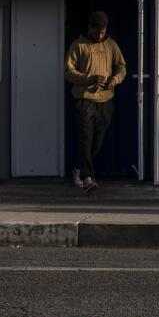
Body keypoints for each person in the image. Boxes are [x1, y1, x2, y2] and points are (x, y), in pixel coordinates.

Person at [64, 11, 127, 192]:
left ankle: (78, 168)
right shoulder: (78, 45)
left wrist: (115, 80)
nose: (100, 35)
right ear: (90, 28)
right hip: (85, 100)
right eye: (97, 32)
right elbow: (68, 72)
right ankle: (88, 179)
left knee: (97, 141)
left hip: (105, 101)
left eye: (103, 31)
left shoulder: (111, 45)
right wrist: (89, 79)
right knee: (85, 138)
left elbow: (122, 67)